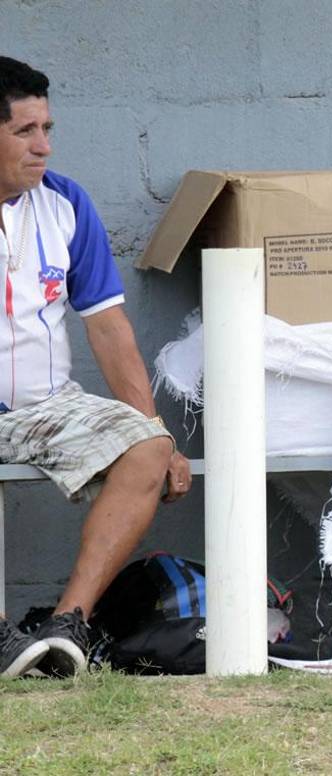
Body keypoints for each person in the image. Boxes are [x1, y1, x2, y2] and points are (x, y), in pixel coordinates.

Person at [0, 56, 191, 678]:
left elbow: (108, 328)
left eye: (47, 129)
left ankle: (66, 628)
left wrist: (155, 430)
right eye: (25, 132)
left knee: (147, 446)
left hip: (45, 407)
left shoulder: (64, 203)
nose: (44, 147)